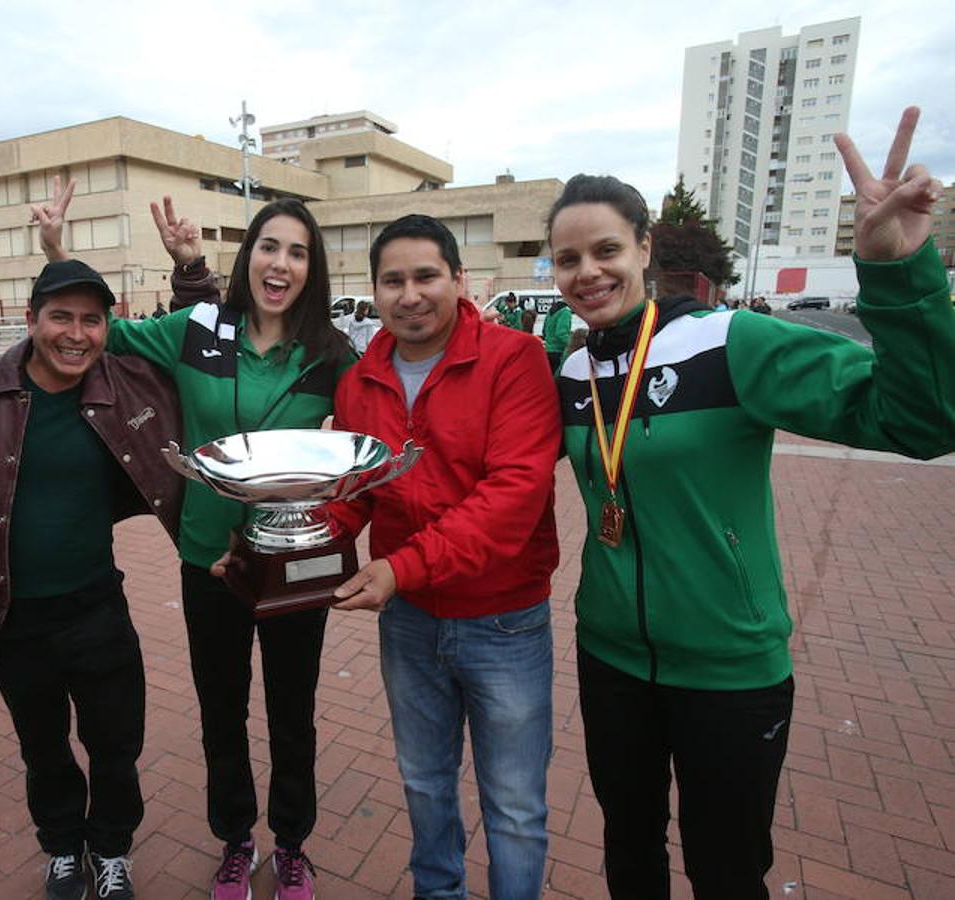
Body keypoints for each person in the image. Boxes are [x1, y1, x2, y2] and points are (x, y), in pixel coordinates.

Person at [548, 107, 955, 900]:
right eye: (567, 258)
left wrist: (899, 273)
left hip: (731, 671)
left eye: (605, 250)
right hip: (611, 660)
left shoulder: (729, 342)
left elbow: (923, 421)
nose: (587, 272)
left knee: (727, 872)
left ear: (645, 250)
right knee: (629, 854)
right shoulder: (570, 374)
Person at [34, 191, 354, 900]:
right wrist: (61, 256)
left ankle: (292, 843)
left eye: (298, 252)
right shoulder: (200, 327)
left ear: (313, 268)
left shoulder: (333, 353)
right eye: (269, 246)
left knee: (293, 710)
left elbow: (359, 444)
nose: (281, 263)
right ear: (249, 258)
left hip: (294, 561)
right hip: (207, 558)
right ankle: (236, 840)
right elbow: (100, 337)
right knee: (222, 707)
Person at [326, 214, 562, 900]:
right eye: (392, 280)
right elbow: (355, 493)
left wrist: (400, 568)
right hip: (409, 620)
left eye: (425, 276)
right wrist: (282, 545)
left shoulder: (513, 359)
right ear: (374, 292)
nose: (410, 294)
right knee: (425, 783)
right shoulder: (359, 382)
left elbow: (514, 494)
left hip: (504, 620)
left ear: (459, 280)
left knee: (514, 804)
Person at [0, 247, 185, 899]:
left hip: (95, 605)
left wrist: (190, 270)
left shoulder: (120, 384)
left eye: (93, 320)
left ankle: (110, 848)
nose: (77, 334)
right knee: (44, 747)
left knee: (116, 744)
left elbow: (196, 329)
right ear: (31, 318)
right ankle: (62, 847)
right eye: (62, 316)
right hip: (11, 614)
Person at [541, 299, 573, 372]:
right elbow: (561, 333)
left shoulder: (550, 311)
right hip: (559, 351)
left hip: (548, 350)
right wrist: (572, 343)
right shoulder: (565, 311)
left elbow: (544, 331)